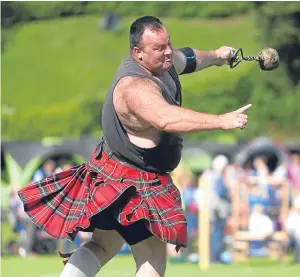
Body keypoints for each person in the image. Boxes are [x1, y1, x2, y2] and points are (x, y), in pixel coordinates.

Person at [18, 16, 251, 277]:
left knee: (103, 245)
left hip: (118, 175)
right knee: (151, 258)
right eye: (159, 48)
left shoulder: (162, 61)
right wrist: (221, 120)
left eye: (167, 44)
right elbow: (166, 117)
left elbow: (189, 58)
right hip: (132, 183)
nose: (167, 52)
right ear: (137, 53)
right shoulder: (136, 87)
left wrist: (219, 55)